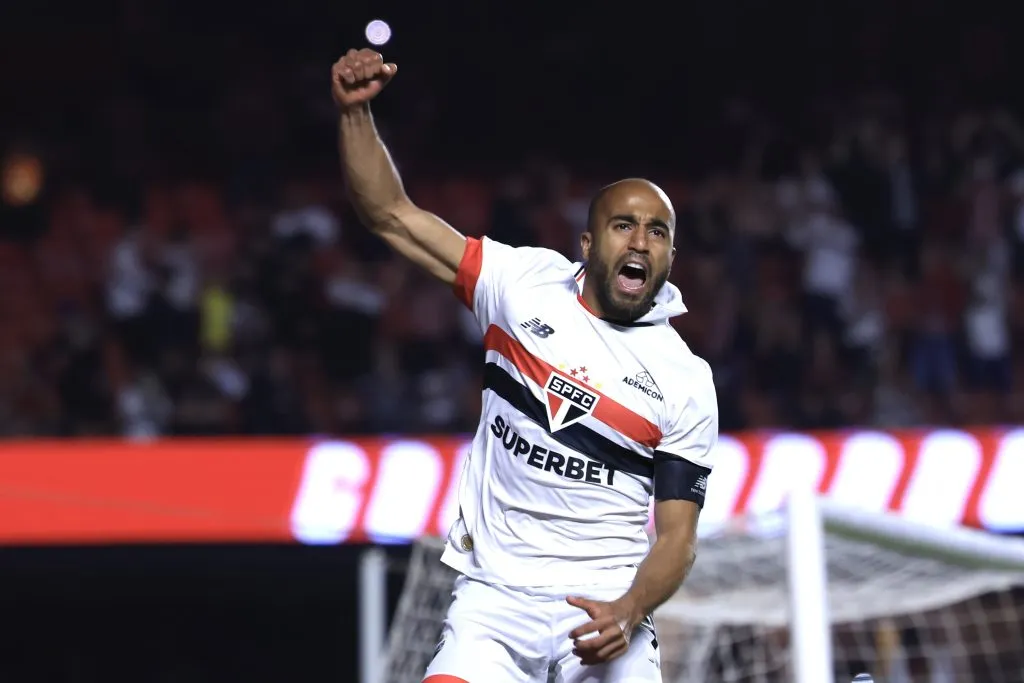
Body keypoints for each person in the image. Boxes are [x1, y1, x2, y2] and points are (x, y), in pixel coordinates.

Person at [331, 48, 718, 683]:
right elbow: (392, 216)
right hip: (494, 599)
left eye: (658, 231)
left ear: (670, 256)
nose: (641, 240)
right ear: (589, 243)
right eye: (625, 225)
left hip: (603, 609)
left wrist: (631, 609)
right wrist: (354, 114)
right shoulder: (520, 284)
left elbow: (678, 537)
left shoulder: (685, 379)